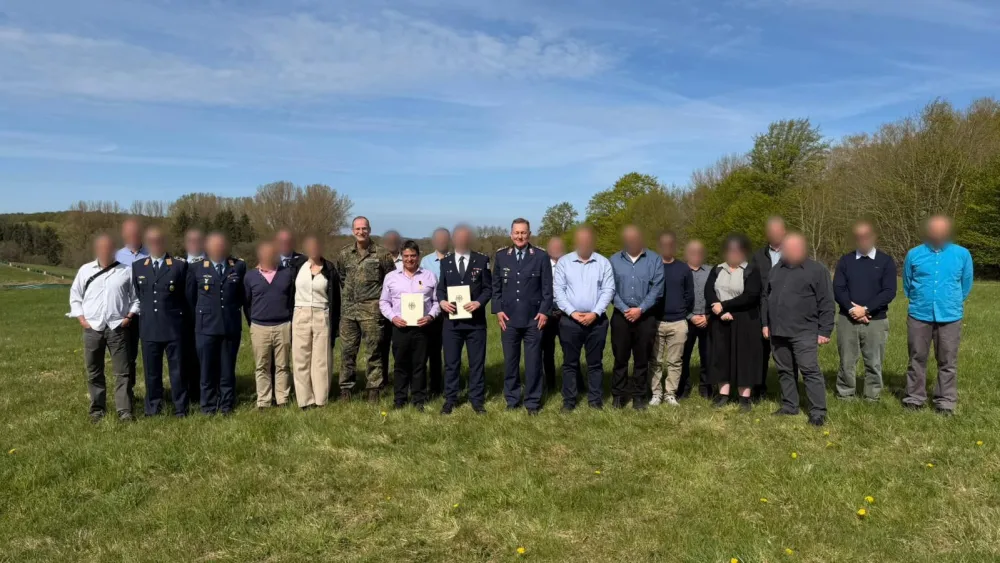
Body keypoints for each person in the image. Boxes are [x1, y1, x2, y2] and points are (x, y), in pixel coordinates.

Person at [901, 215, 973, 415]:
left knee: (947, 360)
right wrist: (919, 300)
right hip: (919, 314)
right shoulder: (914, 254)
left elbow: (966, 284)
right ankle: (914, 398)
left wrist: (950, 301)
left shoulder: (962, 254)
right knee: (917, 357)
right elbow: (907, 285)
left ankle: (945, 401)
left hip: (950, 315)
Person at [762, 233, 835, 426]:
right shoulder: (777, 269)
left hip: (804, 331)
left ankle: (818, 412)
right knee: (785, 370)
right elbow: (766, 298)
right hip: (778, 331)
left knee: (810, 371)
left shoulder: (817, 270)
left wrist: (825, 330)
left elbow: (826, 302)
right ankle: (789, 405)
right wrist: (765, 323)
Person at [68, 233, 140, 423]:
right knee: (94, 371)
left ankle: (124, 411)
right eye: (101, 248)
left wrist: (129, 317)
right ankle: (97, 410)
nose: (105, 251)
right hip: (93, 328)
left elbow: (136, 298)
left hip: (118, 327)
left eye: (109, 248)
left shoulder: (126, 271)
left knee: (123, 372)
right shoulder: (85, 270)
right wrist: (83, 320)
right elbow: (75, 297)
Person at [492, 218, 553, 414]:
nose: (520, 236)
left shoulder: (541, 256)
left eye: (523, 232)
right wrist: (498, 310)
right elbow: (496, 288)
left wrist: (544, 311)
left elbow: (547, 289)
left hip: (533, 319)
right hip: (508, 319)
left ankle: (533, 402)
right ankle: (512, 399)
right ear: (511, 235)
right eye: (516, 233)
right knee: (510, 362)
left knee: (534, 362)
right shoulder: (502, 256)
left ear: (529, 234)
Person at [833, 221, 897, 402]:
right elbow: (838, 288)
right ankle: (845, 395)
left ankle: (872, 396)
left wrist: (866, 309)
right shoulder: (845, 261)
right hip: (848, 319)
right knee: (846, 362)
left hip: (875, 320)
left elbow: (889, 291)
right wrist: (853, 309)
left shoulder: (886, 261)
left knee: (874, 362)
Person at [186, 232, 247, 415]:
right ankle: (208, 406)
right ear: (207, 248)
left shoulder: (238, 266)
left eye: (221, 246)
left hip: (230, 326)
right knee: (206, 370)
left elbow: (241, 296)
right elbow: (191, 299)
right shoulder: (196, 268)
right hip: (206, 328)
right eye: (214, 246)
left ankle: (227, 405)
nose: (218, 249)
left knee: (227, 369)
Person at [132, 227, 190, 417]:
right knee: (151, 372)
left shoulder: (179, 266)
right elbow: (140, 295)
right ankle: (153, 408)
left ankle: (180, 408)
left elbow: (186, 298)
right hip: (149, 328)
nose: (155, 244)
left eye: (159, 240)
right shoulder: (138, 266)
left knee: (178, 371)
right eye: (151, 241)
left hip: (174, 328)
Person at [555, 226, 615, 411]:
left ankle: (595, 401)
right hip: (569, 321)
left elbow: (608, 290)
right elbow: (558, 290)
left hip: (596, 321)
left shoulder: (603, 263)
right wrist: (572, 312)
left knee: (595, 363)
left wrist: (595, 313)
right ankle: (569, 401)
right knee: (569, 364)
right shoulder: (564, 262)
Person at [337, 217, 395, 402]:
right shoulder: (344, 254)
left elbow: (390, 280)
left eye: (364, 228)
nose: (361, 232)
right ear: (353, 230)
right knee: (347, 352)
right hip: (349, 312)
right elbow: (342, 278)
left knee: (374, 351)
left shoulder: (382, 254)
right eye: (357, 228)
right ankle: (346, 389)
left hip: (372, 312)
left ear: (369, 230)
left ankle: (374, 389)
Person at [436, 225, 491, 414]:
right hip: (451, 323)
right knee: (451, 363)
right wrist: (442, 301)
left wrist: (479, 303)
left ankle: (476, 399)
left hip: (475, 323)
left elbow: (488, 289)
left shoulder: (482, 260)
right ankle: (450, 399)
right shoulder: (446, 262)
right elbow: (440, 288)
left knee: (477, 363)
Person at [704, 235, 763, 412]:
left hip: (745, 321)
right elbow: (709, 291)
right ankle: (723, 395)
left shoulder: (751, 270)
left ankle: (744, 398)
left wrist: (725, 305)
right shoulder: (717, 269)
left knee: (745, 358)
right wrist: (720, 311)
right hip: (720, 320)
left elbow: (751, 296)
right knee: (722, 357)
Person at [380, 240, 440, 410]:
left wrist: (430, 316)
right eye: (406, 256)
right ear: (402, 257)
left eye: (413, 256)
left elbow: (437, 301)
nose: (409, 259)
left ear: (418, 256)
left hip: (422, 328)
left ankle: (418, 400)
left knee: (419, 364)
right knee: (400, 364)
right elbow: (384, 302)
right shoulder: (391, 277)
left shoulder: (429, 276)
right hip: (400, 327)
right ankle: (399, 400)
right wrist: (393, 318)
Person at [609, 225, 663, 410]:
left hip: (645, 316)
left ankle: (639, 396)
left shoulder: (655, 259)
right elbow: (610, 289)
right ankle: (619, 395)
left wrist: (640, 309)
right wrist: (625, 309)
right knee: (620, 358)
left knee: (642, 359)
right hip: (620, 316)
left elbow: (657, 289)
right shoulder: (614, 260)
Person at [290, 236, 341, 409]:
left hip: (322, 313)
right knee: (300, 358)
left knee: (321, 359)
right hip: (300, 313)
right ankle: (305, 400)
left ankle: (321, 399)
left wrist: (335, 324)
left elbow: (335, 298)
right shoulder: (297, 266)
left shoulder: (329, 269)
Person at [244, 241, 295, 409]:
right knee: (261, 366)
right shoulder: (250, 276)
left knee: (283, 365)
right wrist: (254, 321)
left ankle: (282, 399)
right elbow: (247, 303)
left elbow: (291, 299)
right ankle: (264, 401)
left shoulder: (286, 274)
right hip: (259, 327)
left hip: (283, 325)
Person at [649, 232, 693, 407]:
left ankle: (670, 394)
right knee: (655, 361)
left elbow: (689, 295)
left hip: (678, 322)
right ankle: (656, 393)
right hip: (656, 321)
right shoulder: (652, 267)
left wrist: (681, 311)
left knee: (675, 361)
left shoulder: (683, 268)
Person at [750, 215, 786, 400]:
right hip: (761, 312)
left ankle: (788, 392)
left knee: (786, 356)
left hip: (787, 313)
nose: (774, 234)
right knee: (760, 356)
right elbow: (751, 284)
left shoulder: (794, 254)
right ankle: (759, 390)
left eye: (778, 230)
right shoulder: (757, 257)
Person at [116, 217, 148, 402]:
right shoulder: (117, 257)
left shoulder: (153, 254)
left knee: (152, 355)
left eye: (136, 233)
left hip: (150, 313)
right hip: (128, 314)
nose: (133, 236)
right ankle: (129, 393)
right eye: (129, 233)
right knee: (128, 356)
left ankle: (154, 392)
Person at [678, 240, 713, 400]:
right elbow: (677, 298)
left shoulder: (711, 271)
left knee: (708, 356)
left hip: (708, 319)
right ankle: (683, 388)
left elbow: (716, 295)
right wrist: (691, 317)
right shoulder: (681, 272)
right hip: (687, 320)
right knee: (683, 356)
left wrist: (708, 316)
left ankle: (706, 387)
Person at [420, 227, 451, 396]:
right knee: (430, 351)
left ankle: (445, 385)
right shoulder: (425, 262)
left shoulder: (455, 259)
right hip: (431, 314)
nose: (441, 241)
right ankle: (430, 386)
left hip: (451, 313)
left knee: (449, 352)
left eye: (444, 238)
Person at [543, 237, 570, 392]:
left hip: (566, 314)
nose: (556, 248)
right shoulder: (542, 264)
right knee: (547, 352)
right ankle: (550, 385)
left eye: (559, 246)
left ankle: (575, 384)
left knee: (570, 350)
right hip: (547, 313)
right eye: (553, 246)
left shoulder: (570, 264)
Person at [181, 227, 205, 402]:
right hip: (184, 320)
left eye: (198, 240)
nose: (194, 244)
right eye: (190, 240)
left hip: (208, 320)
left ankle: (211, 391)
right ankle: (190, 392)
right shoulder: (179, 265)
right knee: (187, 357)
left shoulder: (213, 263)